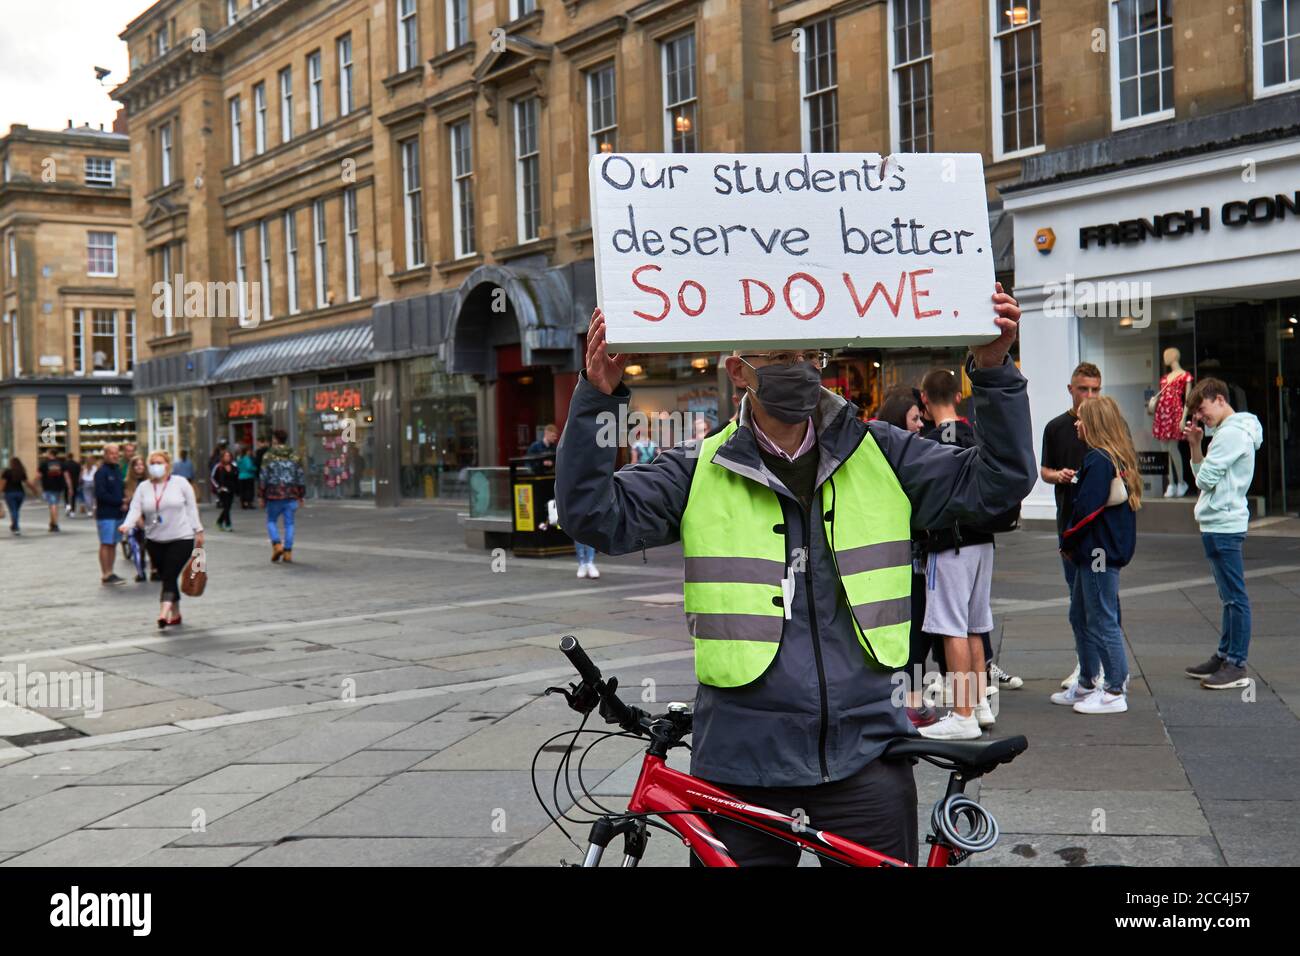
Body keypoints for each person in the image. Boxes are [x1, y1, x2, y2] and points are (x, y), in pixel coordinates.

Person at [556, 284, 1032, 867]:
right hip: (740, 763)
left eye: (809, 355)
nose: (800, 371)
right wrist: (597, 397)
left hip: (865, 761)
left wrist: (992, 368)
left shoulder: (883, 453)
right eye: (781, 359)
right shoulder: (699, 469)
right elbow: (592, 514)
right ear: (738, 371)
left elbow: (1001, 482)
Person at [913, 368, 1003, 739]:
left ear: (924, 398)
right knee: (974, 625)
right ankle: (979, 704)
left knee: (951, 628)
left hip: (948, 543)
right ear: (957, 395)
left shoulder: (929, 443)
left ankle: (963, 714)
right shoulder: (976, 435)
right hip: (983, 541)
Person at [1052, 396, 1141, 714]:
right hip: (1098, 550)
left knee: (1101, 617)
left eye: (1082, 418)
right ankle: (1090, 680)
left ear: (1094, 424)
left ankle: (1114, 688)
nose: (1076, 422)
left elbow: (1087, 510)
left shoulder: (1099, 460)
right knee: (1082, 615)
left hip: (1097, 551)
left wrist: (1068, 540)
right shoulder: (1111, 457)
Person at [1182, 378, 1262, 690]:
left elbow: (1203, 480)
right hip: (1220, 521)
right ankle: (1225, 655)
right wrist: (1196, 445)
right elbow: (1205, 476)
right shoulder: (1230, 433)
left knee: (1234, 596)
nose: (1201, 417)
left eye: (1202, 409)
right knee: (1229, 597)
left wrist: (1202, 456)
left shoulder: (1231, 434)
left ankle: (1236, 663)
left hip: (1224, 523)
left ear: (1219, 399)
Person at [1041, 361, 1105, 690]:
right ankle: (1086, 663)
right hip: (1068, 523)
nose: (1090, 395)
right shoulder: (1056, 427)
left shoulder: (1108, 426)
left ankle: (1106, 666)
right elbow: (1045, 470)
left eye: (1095, 389)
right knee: (1076, 599)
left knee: (1102, 600)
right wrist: (1060, 475)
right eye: (1084, 389)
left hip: (1101, 528)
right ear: (1071, 390)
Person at [875, 387, 937, 728]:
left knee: (918, 628)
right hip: (899, 560)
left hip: (912, 558)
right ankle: (907, 700)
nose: (920, 424)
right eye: (915, 418)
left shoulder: (902, 454)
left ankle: (909, 697)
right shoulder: (892, 459)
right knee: (910, 628)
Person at [120, 450, 204, 628]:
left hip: (182, 537)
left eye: (159, 462)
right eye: (152, 463)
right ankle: (176, 613)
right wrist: (127, 524)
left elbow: (191, 508)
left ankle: (163, 613)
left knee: (169, 575)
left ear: (167, 465)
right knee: (169, 576)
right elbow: (135, 508)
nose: (155, 466)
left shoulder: (180, 483)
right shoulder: (144, 487)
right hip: (155, 540)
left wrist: (198, 530)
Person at [259, 428, 305, 562]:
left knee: (271, 521)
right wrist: (301, 495)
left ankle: (277, 544)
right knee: (289, 523)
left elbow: (263, 477)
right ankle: (288, 551)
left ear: (275, 439)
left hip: (273, 494)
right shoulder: (294, 455)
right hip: (291, 494)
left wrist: (261, 495)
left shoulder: (268, 456)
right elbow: (300, 476)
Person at [93, 444, 127, 584]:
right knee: (106, 543)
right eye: (111, 453)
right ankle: (105, 573)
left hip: (118, 513)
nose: (115, 456)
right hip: (106, 514)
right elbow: (100, 494)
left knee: (113, 543)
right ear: (105, 455)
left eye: (116, 453)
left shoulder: (117, 470)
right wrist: (120, 501)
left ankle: (111, 572)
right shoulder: (101, 472)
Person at [123, 456, 152, 582]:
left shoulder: (151, 482)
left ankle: (156, 570)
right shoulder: (127, 482)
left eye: (141, 465)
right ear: (132, 467)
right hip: (134, 518)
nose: (139, 467)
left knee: (151, 545)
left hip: (149, 517)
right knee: (136, 544)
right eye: (136, 465)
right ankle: (141, 572)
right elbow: (128, 501)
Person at [3, 457, 38, 536]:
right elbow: (27, 483)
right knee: (16, 510)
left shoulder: (7, 472)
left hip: (9, 493)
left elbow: (3, 483)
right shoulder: (21, 472)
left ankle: (16, 527)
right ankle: (13, 525)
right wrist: (34, 490)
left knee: (13, 510)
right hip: (20, 494)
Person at [38, 449, 69, 532]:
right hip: (58, 487)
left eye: (47, 453)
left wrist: (34, 484)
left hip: (48, 487)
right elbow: (66, 476)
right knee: (54, 504)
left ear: (50, 454)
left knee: (52, 505)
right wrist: (69, 487)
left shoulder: (44, 464)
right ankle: (52, 523)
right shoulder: (61, 464)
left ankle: (55, 524)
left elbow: (39, 475)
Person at [211, 450, 238, 531]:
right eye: (226, 456)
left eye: (229, 456)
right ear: (222, 457)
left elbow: (236, 477)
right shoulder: (218, 466)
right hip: (222, 491)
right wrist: (218, 487)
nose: (227, 457)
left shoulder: (234, 466)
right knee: (226, 507)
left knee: (228, 507)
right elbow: (212, 478)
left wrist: (237, 488)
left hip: (231, 490)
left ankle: (219, 521)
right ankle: (228, 524)